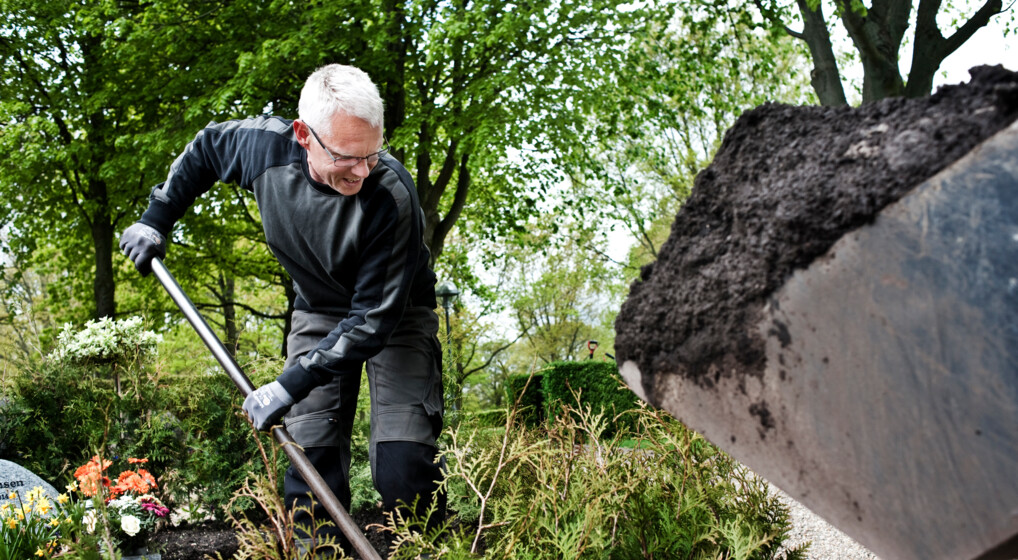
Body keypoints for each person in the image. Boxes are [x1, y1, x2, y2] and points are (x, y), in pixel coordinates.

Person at [120, 63, 446, 550]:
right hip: (318, 309)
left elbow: (371, 321)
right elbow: (206, 149)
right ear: (302, 135)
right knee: (308, 463)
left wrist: (288, 384)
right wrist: (157, 218)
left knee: (404, 465)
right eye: (345, 156)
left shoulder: (390, 195)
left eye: (371, 155)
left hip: (393, 316)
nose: (362, 170)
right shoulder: (262, 148)